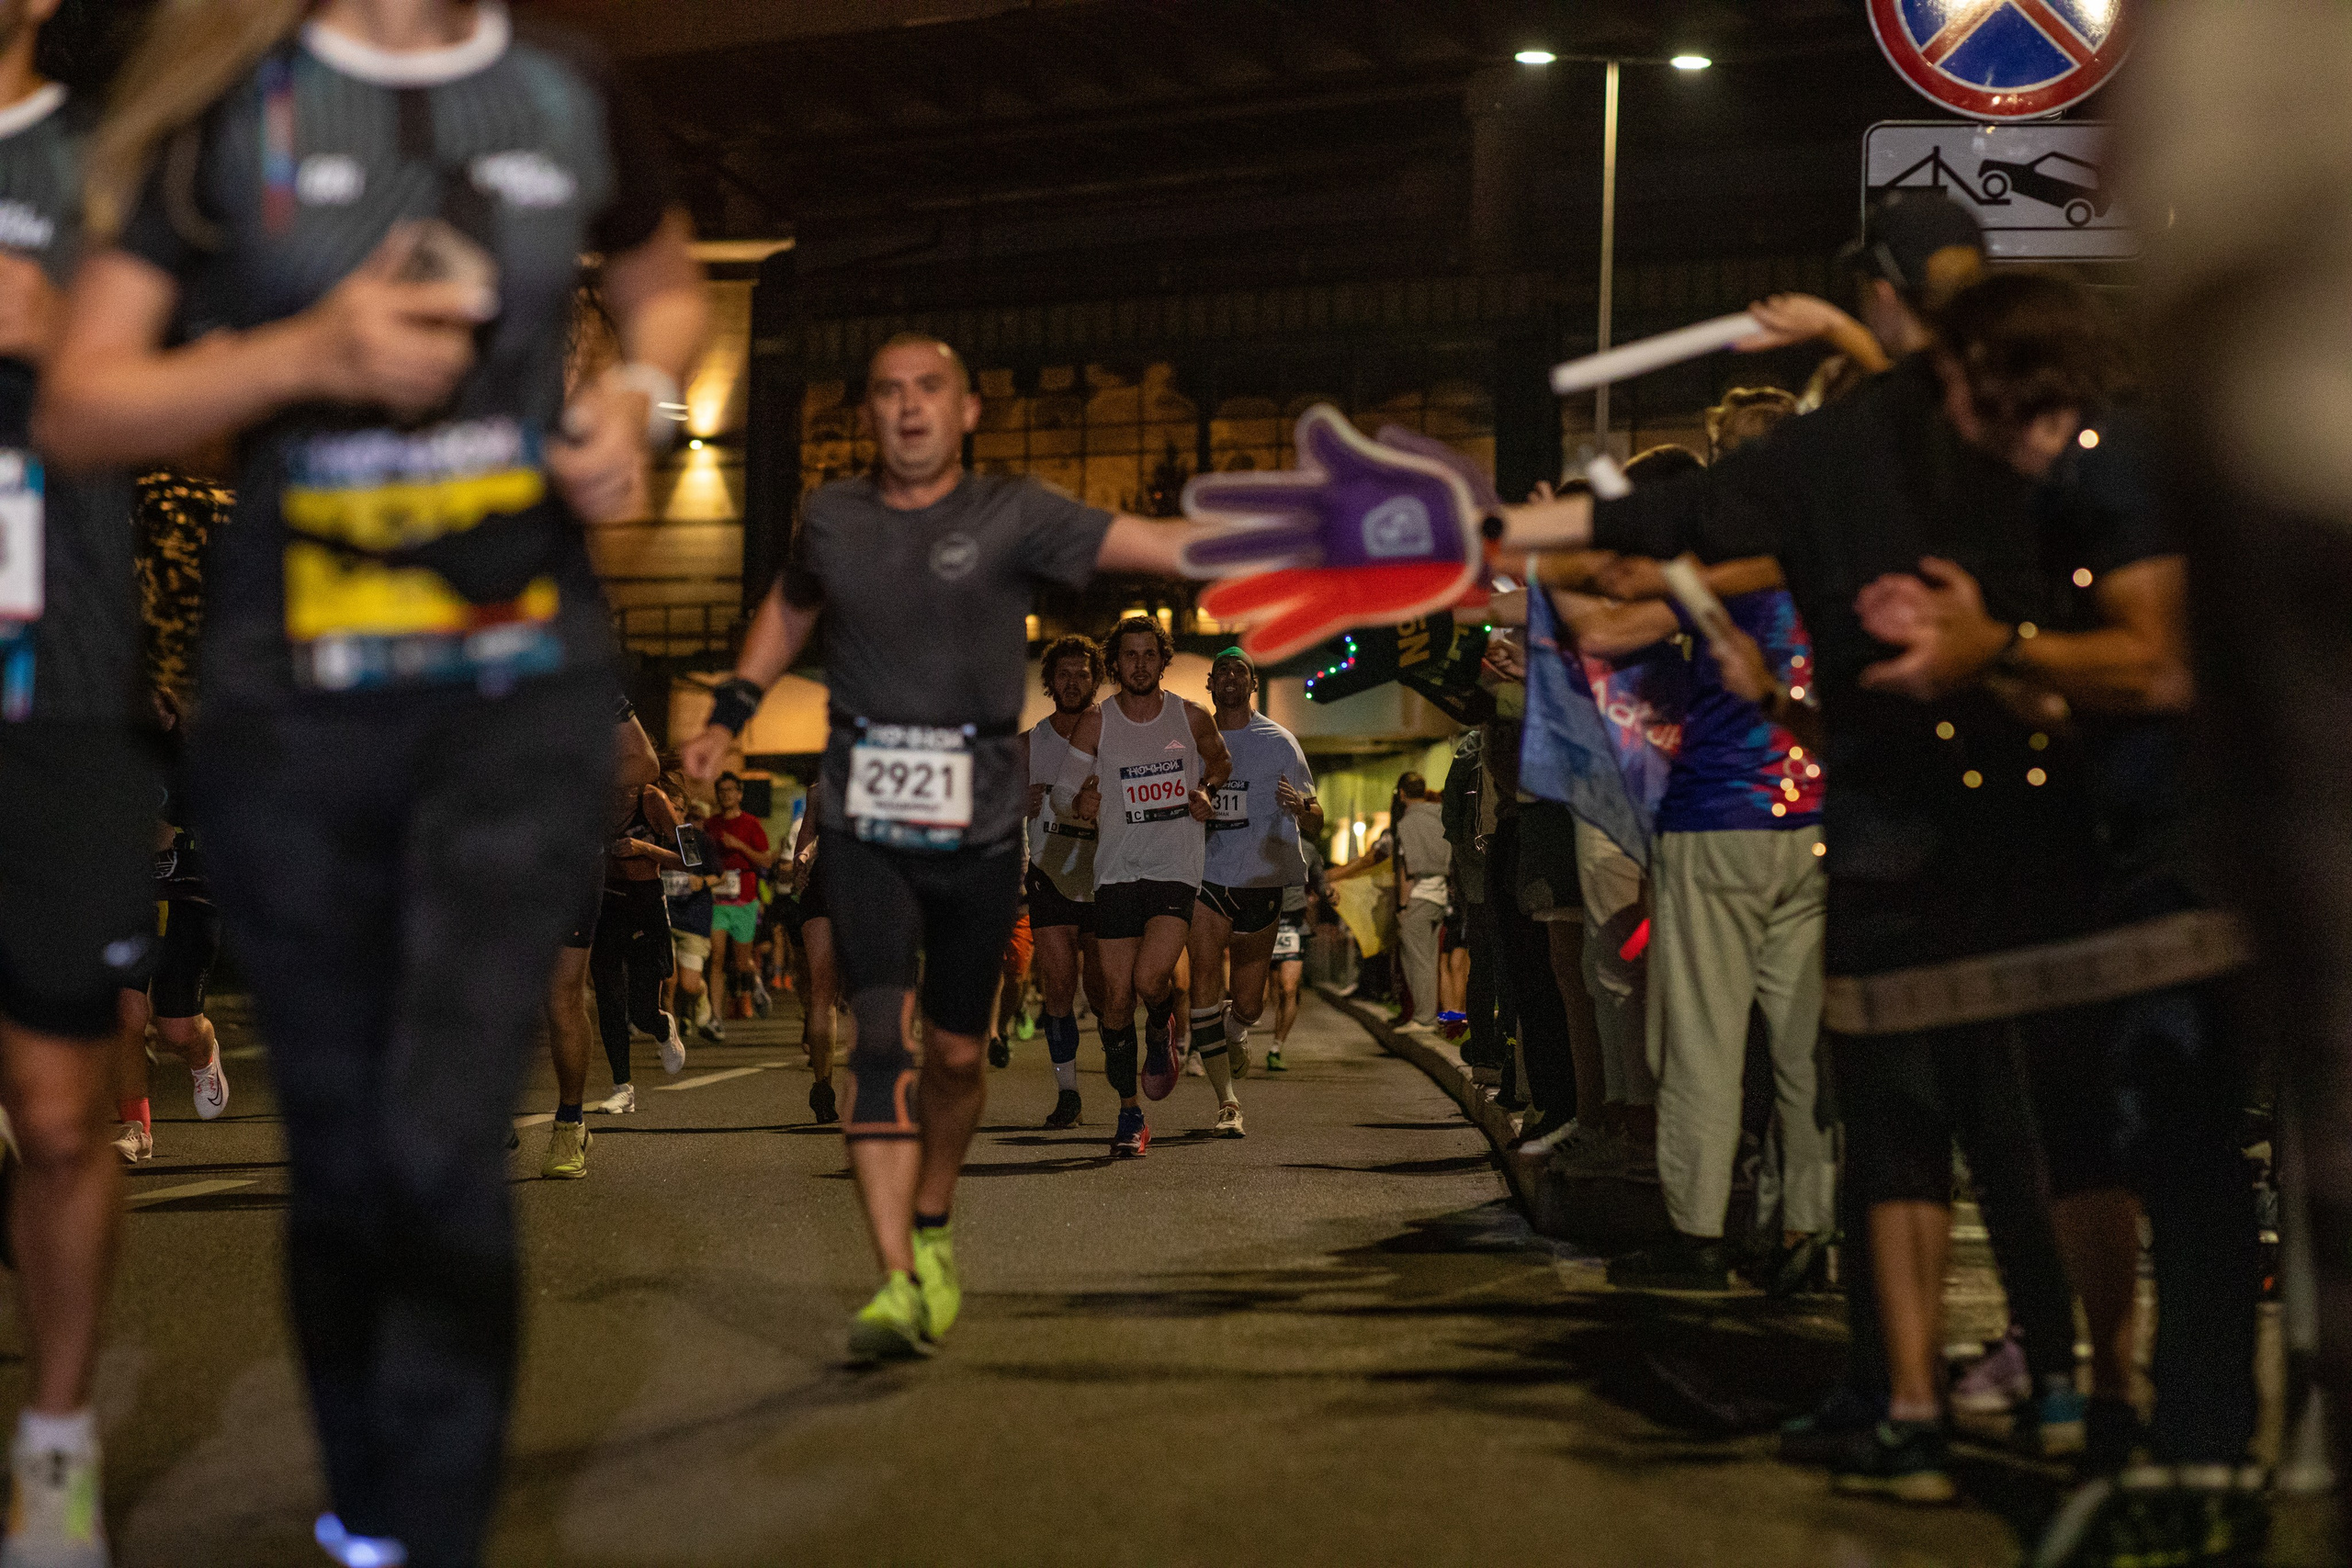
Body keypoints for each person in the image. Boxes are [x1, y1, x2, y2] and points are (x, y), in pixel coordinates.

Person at [41, 2, 710, 1560]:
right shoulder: (235, 109)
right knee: (345, 1150)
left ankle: (433, 1532)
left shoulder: (565, 90)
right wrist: (304, 350)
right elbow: (84, 400)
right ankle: (369, 1508)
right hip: (298, 708)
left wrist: (632, 402)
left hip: (513, 697)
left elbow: (665, 285)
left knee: (439, 1132)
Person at [1510, 271, 2137, 1503]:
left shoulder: (1804, 543)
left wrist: (1542, 542)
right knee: (1900, 1094)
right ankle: (1995, 1361)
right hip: (1858, 831)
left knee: (1840, 1083)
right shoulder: (1905, 527)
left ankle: (1732, 1259)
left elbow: (1615, 605)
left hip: (1815, 834)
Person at [681, 333, 1217, 1361]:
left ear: (965, 412)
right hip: (865, 818)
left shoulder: (1013, 513)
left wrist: (1313, 536)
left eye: (930, 390)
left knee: (957, 1057)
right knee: (878, 1045)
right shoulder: (832, 516)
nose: (909, 407)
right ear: (869, 412)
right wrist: (734, 703)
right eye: (887, 392)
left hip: (976, 827)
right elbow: (793, 600)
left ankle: (932, 1222)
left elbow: (1157, 546)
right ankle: (896, 1277)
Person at [0, 7, 153, 1555]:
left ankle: (55, 1444)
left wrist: (68, 342)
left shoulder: (109, 170)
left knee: (54, 1114)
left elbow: (227, 403)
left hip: (54, 687)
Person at [1054, 614, 1231, 1156]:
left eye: (1148, 655)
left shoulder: (1191, 716)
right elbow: (1062, 791)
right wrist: (1077, 803)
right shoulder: (1096, 722)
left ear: (1163, 659)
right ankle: (1129, 1113)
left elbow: (1221, 760)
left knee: (1153, 978)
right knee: (1112, 1000)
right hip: (1114, 872)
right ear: (1116, 663)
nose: (1139, 664)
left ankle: (1160, 1024)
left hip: (1174, 868)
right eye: (1128, 656)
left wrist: (1206, 789)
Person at [1186, 647, 1319, 1137]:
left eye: (1238, 670)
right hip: (1206, 875)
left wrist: (1304, 807)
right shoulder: (1195, 737)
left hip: (1261, 881)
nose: (1228, 677)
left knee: (1250, 1003)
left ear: (1252, 682)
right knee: (1203, 981)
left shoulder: (1280, 742)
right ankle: (1227, 1102)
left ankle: (1235, 1028)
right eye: (1220, 671)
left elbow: (1315, 814)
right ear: (1210, 683)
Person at [116, 690, 232, 1168]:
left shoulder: (203, 753)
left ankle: (203, 1057)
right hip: (131, 895)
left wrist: (175, 828)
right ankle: (136, 1129)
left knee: (177, 1029)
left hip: (192, 894)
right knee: (124, 1014)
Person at [576, 746, 686, 1158]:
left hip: (645, 901)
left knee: (641, 1009)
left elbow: (692, 858)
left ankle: (661, 1026)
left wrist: (645, 850)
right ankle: (623, 1088)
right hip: (606, 904)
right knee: (609, 998)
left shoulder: (653, 801)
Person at [1022, 633, 1104, 1129]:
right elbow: (991, 808)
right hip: (1049, 873)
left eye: (1083, 673)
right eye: (1064, 673)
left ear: (1095, 680)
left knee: (1103, 991)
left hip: (1102, 875)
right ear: (1050, 681)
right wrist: (1019, 802)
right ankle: (1068, 1091)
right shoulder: (1029, 743)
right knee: (1057, 986)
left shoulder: (1112, 737)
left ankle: (1153, 1033)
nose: (1073, 682)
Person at [701, 772, 768, 1030]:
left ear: (740, 794)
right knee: (716, 958)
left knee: (742, 962)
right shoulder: (710, 824)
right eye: (722, 790)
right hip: (718, 900)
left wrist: (739, 845)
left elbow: (765, 860)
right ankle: (716, 1018)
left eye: (731, 790)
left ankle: (756, 982)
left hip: (744, 898)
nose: (726, 795)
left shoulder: (751, 824)